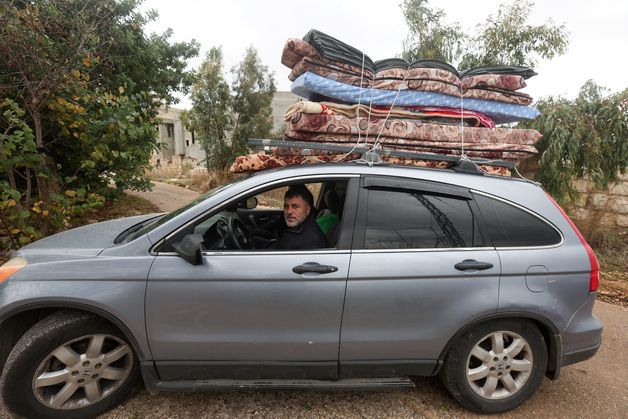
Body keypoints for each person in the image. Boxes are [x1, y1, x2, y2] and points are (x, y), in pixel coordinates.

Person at [273, 185, 328, 250]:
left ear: (308, 210)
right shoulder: (310, 227)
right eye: (286, 206)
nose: (289, 211)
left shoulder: (302, 240)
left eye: (295, 206)